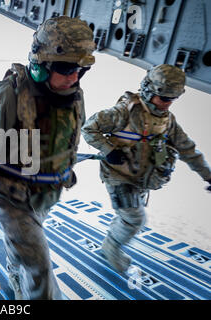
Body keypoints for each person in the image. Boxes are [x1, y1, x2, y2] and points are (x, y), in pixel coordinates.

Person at [0, 16, 96, 299]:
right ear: (41, 64)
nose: (74, 77)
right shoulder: (10, 95)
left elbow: (71, 134)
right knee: (40, 268)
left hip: (46, 195)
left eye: (81, 70)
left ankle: (15, 275)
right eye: (66, 68)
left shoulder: (73, 93)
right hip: (12, 198)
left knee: (26, 251)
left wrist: (64, 170)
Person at [81, 64, 211, 274]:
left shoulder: (167, 120)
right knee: (135, 218)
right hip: (118, 176)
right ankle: (111, 247)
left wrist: (208, 176)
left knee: (130, 217)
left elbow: (188, 149)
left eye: (172, 100)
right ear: (150, 92)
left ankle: (113, 239)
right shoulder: (124, 112)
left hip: (142, 179)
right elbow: (89, 128)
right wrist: (108, 150)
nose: (167, 104)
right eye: (165, 99)